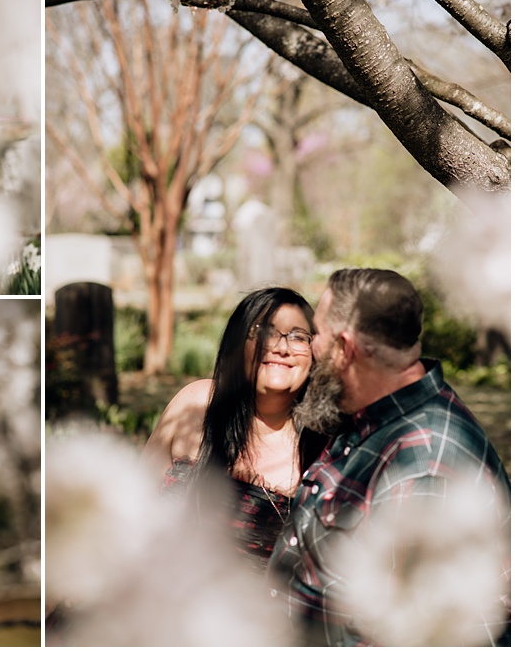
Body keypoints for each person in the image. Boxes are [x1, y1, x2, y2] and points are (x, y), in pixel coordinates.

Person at [267, 268, 511, 645]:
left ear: (345, 349)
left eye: (318, 335)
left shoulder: (426, 469)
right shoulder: (369, 417)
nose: (311, 346)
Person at [140, 287, 329, 573]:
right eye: (266, 332)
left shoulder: (323, 448)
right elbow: (129, 504)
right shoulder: (196, 403)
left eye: (298, 337)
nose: (282, 347)